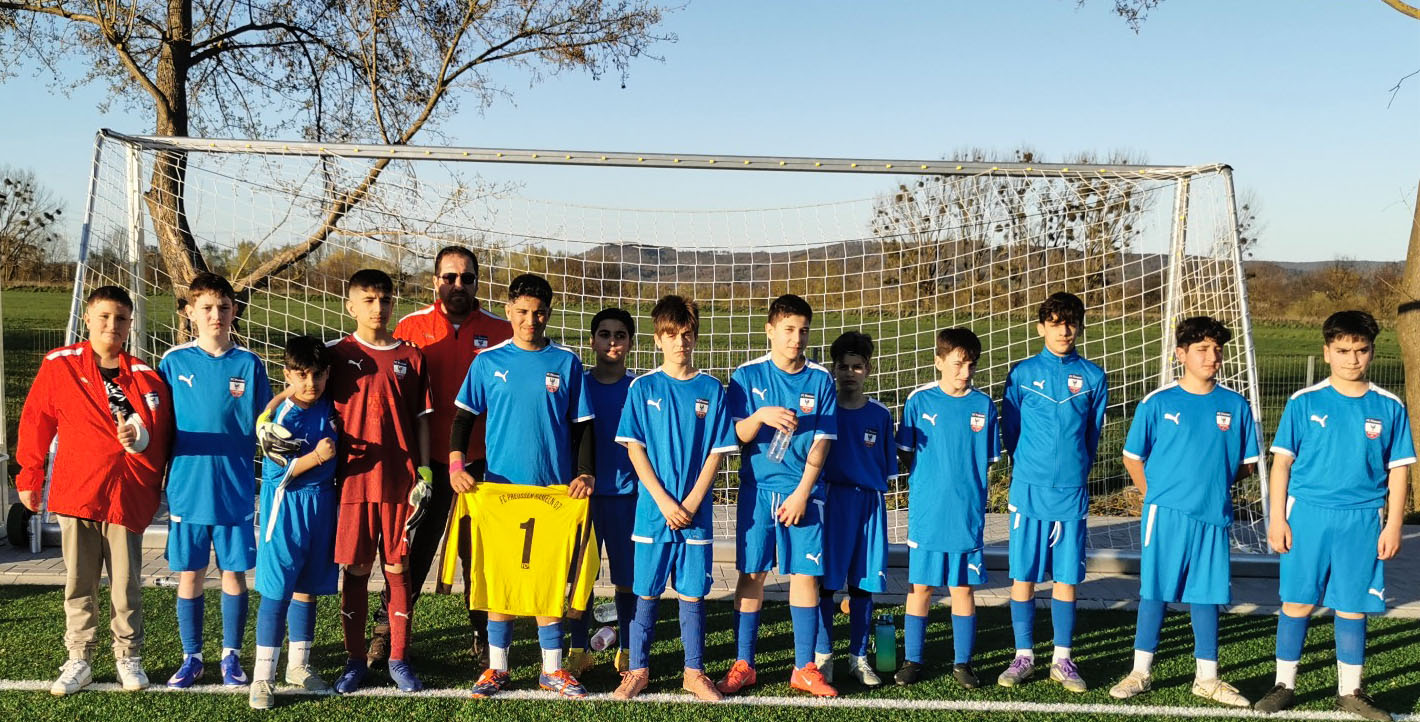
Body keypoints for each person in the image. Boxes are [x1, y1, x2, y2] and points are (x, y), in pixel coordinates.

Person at [1254, 310, 1414, 720]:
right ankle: (1284, 684)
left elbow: (1399, 470)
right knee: (1297, 601)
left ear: (1372, 351)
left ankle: (1351, 691)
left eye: (1361, 350)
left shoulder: (1389, 406)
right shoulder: (1304, 401)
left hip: (1362, 518)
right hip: (1307, 515)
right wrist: (1277, 518)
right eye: (1343, 350)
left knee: (1352, 605)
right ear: (1327, 352)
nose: (1352, 359)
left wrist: (1394, 523)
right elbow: (1282, 464)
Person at [17, 285, 173, 696]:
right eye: (104, 316)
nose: (111, 325)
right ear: (87, 319)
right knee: (79, 582)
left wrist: (140, 442)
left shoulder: (146, 378)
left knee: (126, 584)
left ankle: (128, 656)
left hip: (125, 496)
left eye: (121, 318)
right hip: (78, 492)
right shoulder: (60, 365)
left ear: (130, 324)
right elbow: (36, 421)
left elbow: (160, 439)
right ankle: (79, 658)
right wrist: (30, 476)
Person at [449, 273, 596, 700]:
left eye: (539, 313)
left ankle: (551, 669)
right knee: (502, 581)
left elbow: (583, 426)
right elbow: (463, 419)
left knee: (547, 581)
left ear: (549, 314)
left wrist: (585, 472)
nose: (531, 320)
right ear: (509, 311)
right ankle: (497, 667)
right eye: (523, 312)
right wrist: (457, 466)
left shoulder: (565, 362)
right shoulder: (488, 361)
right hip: (501, 494)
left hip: (553, 494)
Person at [1107, 316, 1259, 708]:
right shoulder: (1158, 402)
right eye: (1202, 349)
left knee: (1207, 594)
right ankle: (1140, 672)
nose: (1212, 357)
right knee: (1155, 590)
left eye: (1217, 349)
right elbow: (1132, 457)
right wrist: (1155, 496)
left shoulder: (1235, 404)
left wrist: (1213, 484)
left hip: (1213, 515)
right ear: (1181, 354)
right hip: (1166, 515)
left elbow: (1248, 463)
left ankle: (1207, 677)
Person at [375, 246, 511, 668]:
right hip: (427, 463)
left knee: (480, 553)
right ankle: (387, 633)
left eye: (466, 278)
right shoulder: (412, 327)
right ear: (435, 280)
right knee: (412, 550)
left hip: (483, 462)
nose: (458, 285)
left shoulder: (502, 329)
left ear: (477, 282)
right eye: (449, 277)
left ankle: (483, 636)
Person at [610, 295, 737, 701]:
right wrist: (665, 502)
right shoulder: (643, 387)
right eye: (671, 335)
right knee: (646, 592)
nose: (680, 342)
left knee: (692, 593)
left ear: (695, 337)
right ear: (657, 339)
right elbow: (635, 450)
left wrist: (693, 501)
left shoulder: (711, 389)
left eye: (686, 334)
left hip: (695, 514)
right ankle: (637, 671)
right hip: (653, 512)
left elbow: (717, 452)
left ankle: (694, 672)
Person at [719, 293, 839, 698]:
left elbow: (823, 442)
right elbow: (734, 436)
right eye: (788, 329)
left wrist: (803, 492)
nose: (796, 338)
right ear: (770, 330)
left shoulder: (820, 379)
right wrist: (760, 416)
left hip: (802, 493)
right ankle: (744, 664)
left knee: (804, 576)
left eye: (803, 331)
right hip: (757, 492)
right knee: (752, 575)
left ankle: (803, 667)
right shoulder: (747, 376)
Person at [158, 272, 272, 689]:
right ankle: (192, 657)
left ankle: (230, 656)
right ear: (190, 312)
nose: (215, 315)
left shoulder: (249, 364)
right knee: (190, 574)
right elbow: (159, 426)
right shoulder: (173, 362)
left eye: (223, 307)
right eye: (206, 307)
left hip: (234, 488)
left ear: (234, 311)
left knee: (233, 573)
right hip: (187, 489)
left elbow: (265, 422)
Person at [326, 268, 433, 694]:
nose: (378, 308)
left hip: (399, 483)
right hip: (352, 483)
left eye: (385, 300)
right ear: (350, 306)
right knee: (355, 569)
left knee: (398, 568)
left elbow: (422, 419)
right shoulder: (335, 354)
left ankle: (398, 659)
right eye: (368, 300)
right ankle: (355, 660)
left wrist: (424, 470)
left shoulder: (411, 356)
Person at [998, 291, 1107, 692]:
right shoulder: (1022, 373)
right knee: (1023, 575)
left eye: (1071, 323)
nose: (1064, 330)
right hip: (1029, 490)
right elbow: (1011, 430)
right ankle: (1023, 655)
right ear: (1041, 327)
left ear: (1080, 327)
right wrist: (1031, 466)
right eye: (1056, 323)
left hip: (1071, 493)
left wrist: (1074, 469)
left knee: (1066, 577)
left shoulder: (1094, 377)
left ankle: (1062, 658)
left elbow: (1093, 433)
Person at [894, 328, 999, 690]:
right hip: (928, 513)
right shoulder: (919, 401)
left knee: (962, 589)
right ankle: (913, 659)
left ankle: (962, 662)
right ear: (938, 362)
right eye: (957, 364)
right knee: (921, 587)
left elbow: (987, 460)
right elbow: (906, 454)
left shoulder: (983, 406)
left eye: (971, 365)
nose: (964, 372)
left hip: (966, 515)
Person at [247, 335, 341, 709]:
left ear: (327, 374)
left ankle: (298, 666)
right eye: (301, 375)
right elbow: (277, 475)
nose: (310, 383)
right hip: (286, 509)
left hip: (322, 505)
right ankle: (263, 677)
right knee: (277, 591)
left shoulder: (329, 404)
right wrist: (317, 457)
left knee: (307, 587)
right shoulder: (283, 418)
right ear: (287, 374)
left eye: (317, 374)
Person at [815, 331, 895, 686]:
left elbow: (887, 468)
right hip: (832, 503)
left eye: (857, 367)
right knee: (826, 584)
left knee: (863, 584)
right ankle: (823, 657)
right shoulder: (825, 410)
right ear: (834, 369)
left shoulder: (880, 415)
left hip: (868, 505)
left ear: (868, 370)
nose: (850, 373)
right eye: (843, 366)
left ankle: (858, 658)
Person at [566, 307, 638, 677]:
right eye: (605, 334)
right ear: (592, 341)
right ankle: (578, 650)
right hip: (583, 500)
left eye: (620, 335)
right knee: (580, 578)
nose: (612, 342)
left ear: (631, 343)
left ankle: (627, 650)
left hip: (628, 498)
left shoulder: (639, 388)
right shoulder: (577, 385)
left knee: (627, 579)